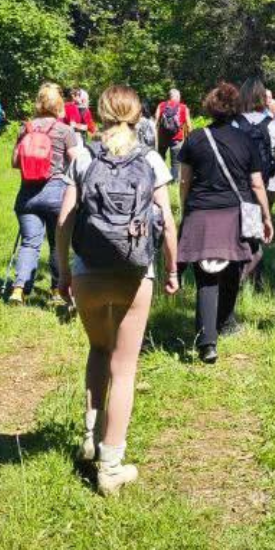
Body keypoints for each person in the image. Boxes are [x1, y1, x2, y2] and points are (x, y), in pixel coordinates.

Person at [56, 86, 178, 496]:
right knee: (124, 368)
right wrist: (172, 270)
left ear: (101, 114)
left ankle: (90, 435)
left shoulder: (84, 157)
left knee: (98, 349)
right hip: (134, 270)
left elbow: (64, 221)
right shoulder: (151, 160)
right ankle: (110, 466)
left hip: (88, 270)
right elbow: (169, 221)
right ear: (138, 114)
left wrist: (62, 272)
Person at [178, 83, 273, 364]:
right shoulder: (245, 140)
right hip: (237, 213)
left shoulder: (194, 138)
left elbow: (184, 180)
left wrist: (186, 210)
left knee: (206, 277)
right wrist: (266, 217)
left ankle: (208, 341)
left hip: (202, 213)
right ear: (236, 108)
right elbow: (256, 184)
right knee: (235, 267)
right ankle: (225, 322)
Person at [9, 83, 82, 306]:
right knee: (57, 244)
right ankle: (56, 288)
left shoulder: (26, 128)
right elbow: (78, 161)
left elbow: (14, 162)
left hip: (27, 195)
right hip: (56, 194)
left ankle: (19, 288)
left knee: (30, 243)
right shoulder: (65, 131)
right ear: (59, 105)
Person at [236, 78, 275, 291]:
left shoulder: (234, 123)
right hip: (267, 183)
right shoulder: (272, 124)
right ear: (262, 99)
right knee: (257, 230)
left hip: (240, 184)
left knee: (244, 229)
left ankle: (241, 273)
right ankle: (254, 279)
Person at [155, 88, 191, 180]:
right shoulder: (183, 107)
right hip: (177, 138)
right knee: (175, 162)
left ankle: (159, 178)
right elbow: (188, 124)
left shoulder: (161, 105)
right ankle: (174, 180)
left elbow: (156, 122)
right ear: (177, 96)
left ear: (169, 96)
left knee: (160, 158)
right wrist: (189, 136)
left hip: (162, 138)